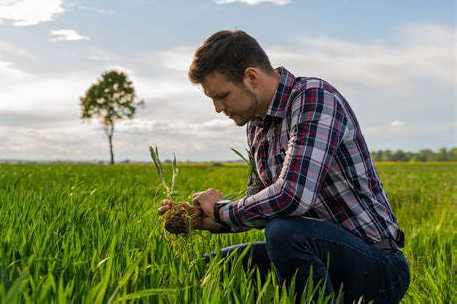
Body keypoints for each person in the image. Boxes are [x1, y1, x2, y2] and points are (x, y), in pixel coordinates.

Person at [158, 30, 410, 303]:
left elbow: (292, 196)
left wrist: (221, 210)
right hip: (314, 253)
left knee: (284, 232)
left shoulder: (314, 98)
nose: (218, 108)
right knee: (212, 267)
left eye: (222, 95)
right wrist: (204, 218)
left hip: (376, 265)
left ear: (251, 77)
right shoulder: (256, 125)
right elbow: (263, 206)